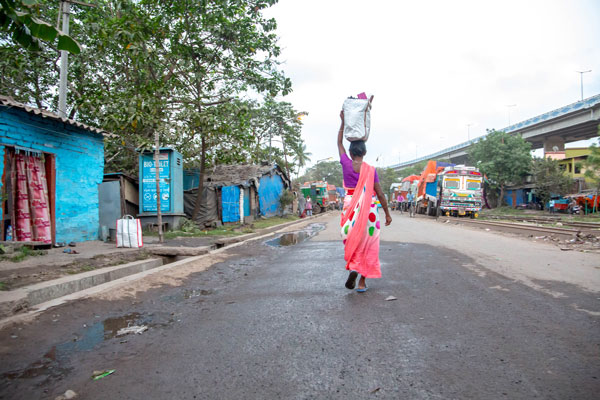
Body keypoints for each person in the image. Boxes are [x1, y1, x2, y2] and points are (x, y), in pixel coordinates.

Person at [337, 110, 392, 293]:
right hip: (369, 210)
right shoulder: (370, 169)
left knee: (352, 240)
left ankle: (354, 265)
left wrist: (343, 121)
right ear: (365, 152)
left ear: (350, 152)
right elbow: (380, 193)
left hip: (350, 209)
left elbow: (339, 143)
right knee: (369, 243)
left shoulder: (345, 164)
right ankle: (361, 282)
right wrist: (387, 213)